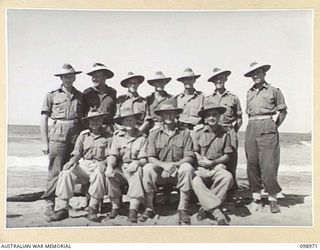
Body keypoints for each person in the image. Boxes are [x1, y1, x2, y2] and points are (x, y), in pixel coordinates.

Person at [47, 108, 113, 222]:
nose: (95, 122)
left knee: (99, 174)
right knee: (66, 173)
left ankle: (93, 209)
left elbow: (111, 155)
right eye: (92, 120)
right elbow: (77, 153)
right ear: (88, 122)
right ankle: (63, 208)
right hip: (84, 165)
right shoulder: (83, 135)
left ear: (102, 121)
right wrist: (72, 161)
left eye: (98, 120)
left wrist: (104, 162)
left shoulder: (109, 137)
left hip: (98, 165)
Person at [141, 99, 195, 225]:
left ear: (176, 115)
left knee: (187, 167)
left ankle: (183, 208)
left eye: (171, 113)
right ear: (160, 116)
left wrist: (175, 165)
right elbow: (151, 157)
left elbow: (189, 156)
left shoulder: (184, 133)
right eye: (165, 113)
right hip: (161, 172)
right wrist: (164, 166)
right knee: (148, 168)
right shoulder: (154, 134)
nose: (168, 116)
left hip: (177, 172)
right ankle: (149, 207)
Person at [40, 64, 84, 217]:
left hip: (75, 134)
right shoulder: (51, 94)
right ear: (61, 78)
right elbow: (44, 118)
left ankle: (65, 203)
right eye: (65, 76)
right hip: (57, 134)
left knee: (71, 168)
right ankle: (50, 203)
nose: (68, 79)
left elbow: (83, 119)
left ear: (75, 77)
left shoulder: (80, 95)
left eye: (71, 76)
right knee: (55, 170)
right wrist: (45, 142)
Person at [244, 62, 287, 213]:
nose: (255, 76)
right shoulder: (249, 92)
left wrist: (273, 126)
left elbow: (283, 112)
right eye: (252, 74)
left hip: (268, 125)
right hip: (251, 126)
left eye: (258, 72)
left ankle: (273, 199)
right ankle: (256, 197)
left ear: (264, 74)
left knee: (268, 165)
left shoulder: (274, 90)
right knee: (252, 163)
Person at [192, 100, 234, 225]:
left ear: (219, 117)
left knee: (227, 177)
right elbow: (194, 152)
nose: (212, 118)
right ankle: (217, 212)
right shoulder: (198, 133)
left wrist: (213, 163)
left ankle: (205, 208)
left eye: (215, 115)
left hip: (216, 167)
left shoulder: (225, 134)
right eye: (209, 115)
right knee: (195, 181)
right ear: (205, 118)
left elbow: (227, 156)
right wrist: (202, 161)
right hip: (201, 168)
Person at [205, 67, 243, 201]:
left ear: (225, 79)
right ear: (213, 81)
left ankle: (231, 191)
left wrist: (232, 132)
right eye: (216, 79)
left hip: (228, 129)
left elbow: (239, 119)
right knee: (213, 158)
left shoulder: (233, 98)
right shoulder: (208, 98)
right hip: (214, 131)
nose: (219, 80)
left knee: (231, 161)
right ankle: (213, 188)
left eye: (221, 78)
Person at [106, 107, 148, 223]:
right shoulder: (117, 136)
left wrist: (137, 162)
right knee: (110, 173)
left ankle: (133, 210)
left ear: (136, 122)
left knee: (137, 171)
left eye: (131, 120)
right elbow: (113, 154)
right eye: (126, 121)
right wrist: (110, 166)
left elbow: (145, 158)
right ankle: (115, 207)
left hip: (136, 168)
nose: (129, 123)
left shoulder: (142, 137)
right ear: (122, 123)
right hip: (121, 168)